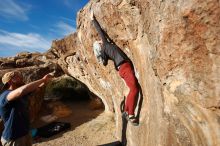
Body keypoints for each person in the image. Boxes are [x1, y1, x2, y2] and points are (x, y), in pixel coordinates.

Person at [90, 11, 139, 126]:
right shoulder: (106, 45)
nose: (101, 40)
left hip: (122, 69)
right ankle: (131, 114)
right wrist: (93, 20)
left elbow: (105, 62)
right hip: (125, 67)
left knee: (132, 89)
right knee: (134, 89)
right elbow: (100, 31)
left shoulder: (104, 52)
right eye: (99, 41)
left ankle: (126, 111)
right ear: (100, 45)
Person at [0, 71, 53, 146]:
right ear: (10, 81)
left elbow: (37, 89)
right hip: (14, 139)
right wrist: (42, 79)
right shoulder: (5, 95)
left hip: (25, 134)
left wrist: (45, 81)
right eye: (17, 77)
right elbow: (21, 90)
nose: (20, 78)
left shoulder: (20, 95)